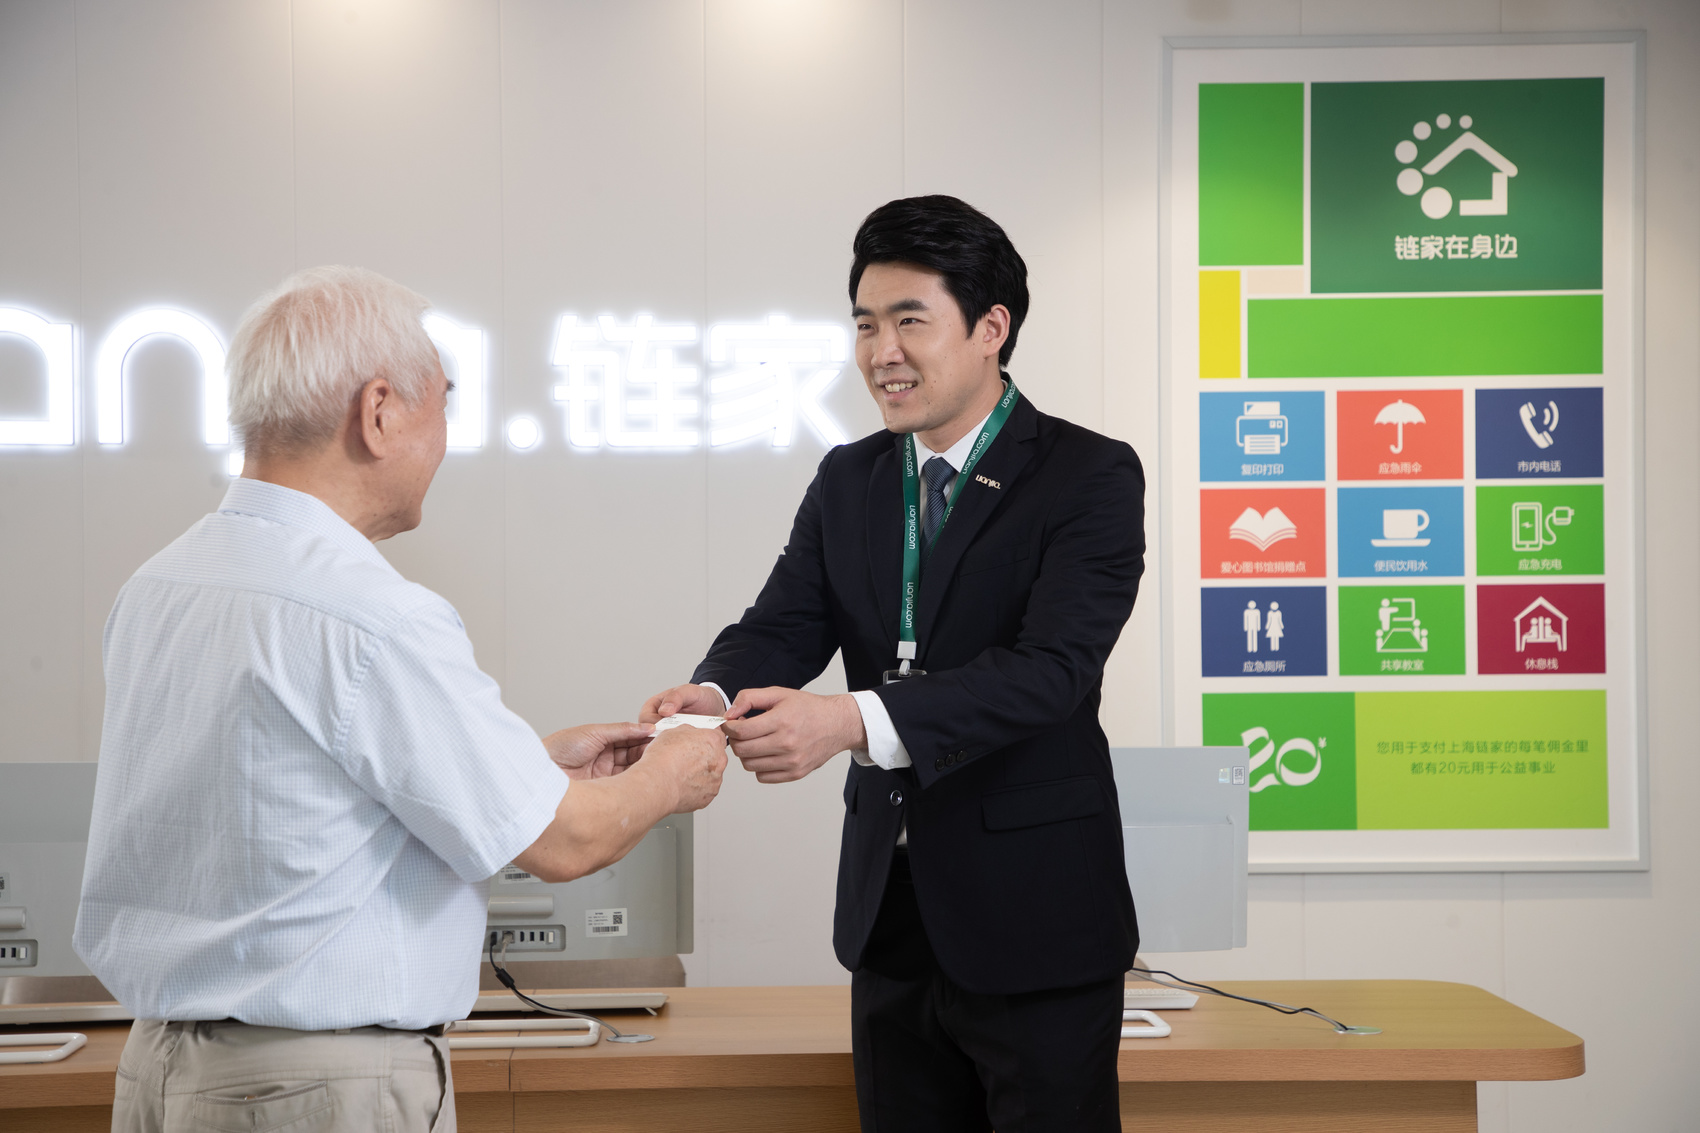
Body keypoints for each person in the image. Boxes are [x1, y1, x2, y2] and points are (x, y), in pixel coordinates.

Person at [74, 266, 727, 1133]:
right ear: (378, 411)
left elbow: (275, 802)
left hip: (161, 1073)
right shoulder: (371, 612)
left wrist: (523, 768)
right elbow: (567, 840)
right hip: (316, 1090)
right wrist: (675, 770)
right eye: (444, 404)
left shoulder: (163, 584)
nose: (447, 438)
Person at [641, 196, 1145, 1131]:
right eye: (866, 324)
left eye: (911, 320)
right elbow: (783, 623)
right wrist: (707, 694)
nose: (883, 352)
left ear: (992, 327)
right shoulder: (852, 477)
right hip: (892, 920)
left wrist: (848, 720)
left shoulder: (1088, 474)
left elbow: (1052, 671)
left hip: (1037, 921)